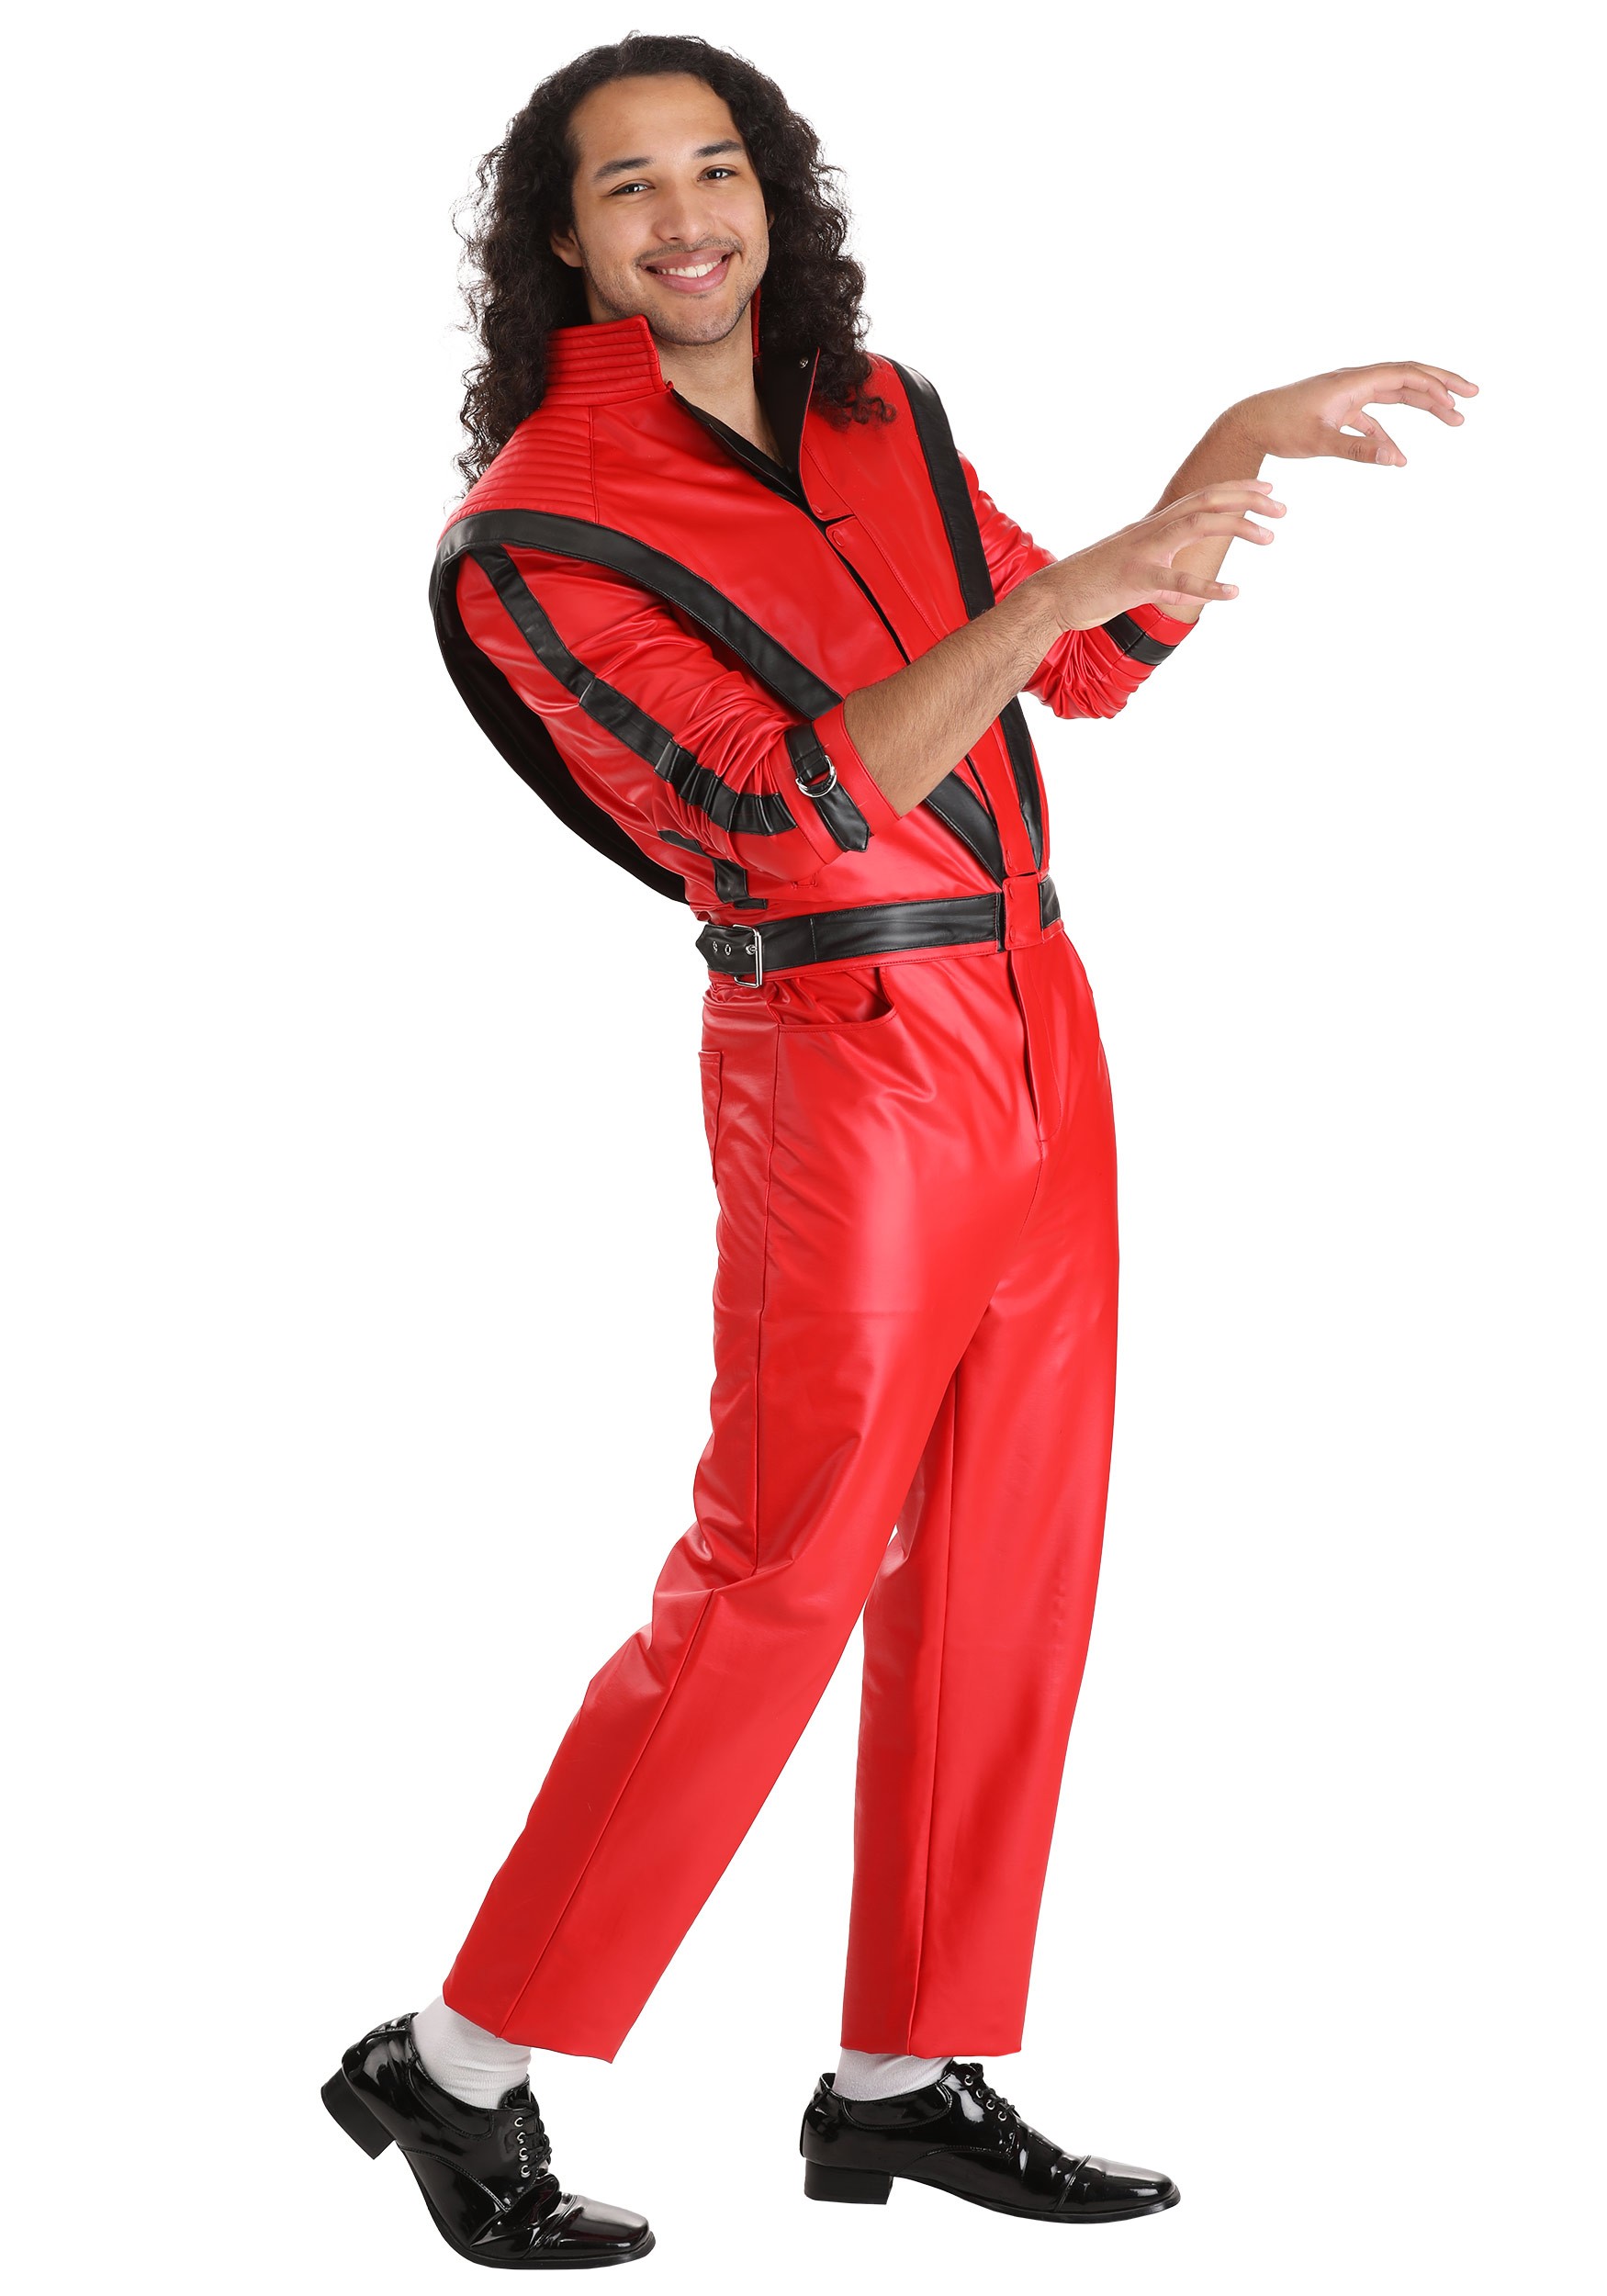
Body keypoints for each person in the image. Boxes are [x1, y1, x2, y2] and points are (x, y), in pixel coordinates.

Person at [320, 32, 1476, 2270]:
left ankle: (900, 2075)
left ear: (772, 190)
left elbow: (1090, 657)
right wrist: (1036, 610)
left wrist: (1223, 454)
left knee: (1012, 1549)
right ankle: (451, 2059)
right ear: (561, 243)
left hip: (1038, 1005)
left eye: (716, 167)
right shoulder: (532, 535)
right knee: (775, 1573)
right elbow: (776, 803)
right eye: (628, 186)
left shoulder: (872, 413)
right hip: (836, 1047)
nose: (687, 218)